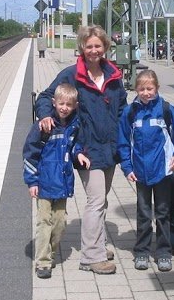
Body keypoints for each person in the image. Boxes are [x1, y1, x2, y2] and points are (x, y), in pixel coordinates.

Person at [35, 25, 127, 275]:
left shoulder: (114, 76)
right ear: (82, 48)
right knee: (96, 200)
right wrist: (45, 116)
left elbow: (122, 110)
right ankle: (91, 256)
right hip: (85, 150)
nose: (94, 50)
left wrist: (126, 140)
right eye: (89, 46)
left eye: (98, 45)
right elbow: (45, 97)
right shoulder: (71, 75)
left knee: (102, 198)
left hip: (111, 149)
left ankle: (96, 242)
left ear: (105, 47)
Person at [118, 70, 174, 272]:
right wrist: (127, 167)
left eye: (150, 88)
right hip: (140, 172)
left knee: (162, 213)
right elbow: (123, 142)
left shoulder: (166, 109)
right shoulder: (130, 112)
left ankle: (163, 252)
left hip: (163, 171)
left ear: (157, 88)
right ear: (136, 89)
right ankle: (141, 251)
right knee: (143, 213)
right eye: (141, 88)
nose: (146, 92)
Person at [23, 83, 90, 279]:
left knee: (59, 223)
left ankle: (51, 253)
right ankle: (42, 261)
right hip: (44, 184)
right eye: (61, 103)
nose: (64, 108)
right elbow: (30, 155)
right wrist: (32, 182)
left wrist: (79, 154)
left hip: (62, 183)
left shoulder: (74, 126)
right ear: (54, 102)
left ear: (75, 105)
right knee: (44, 221)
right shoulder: (43, 126)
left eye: (69, 105)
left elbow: (75, 144)